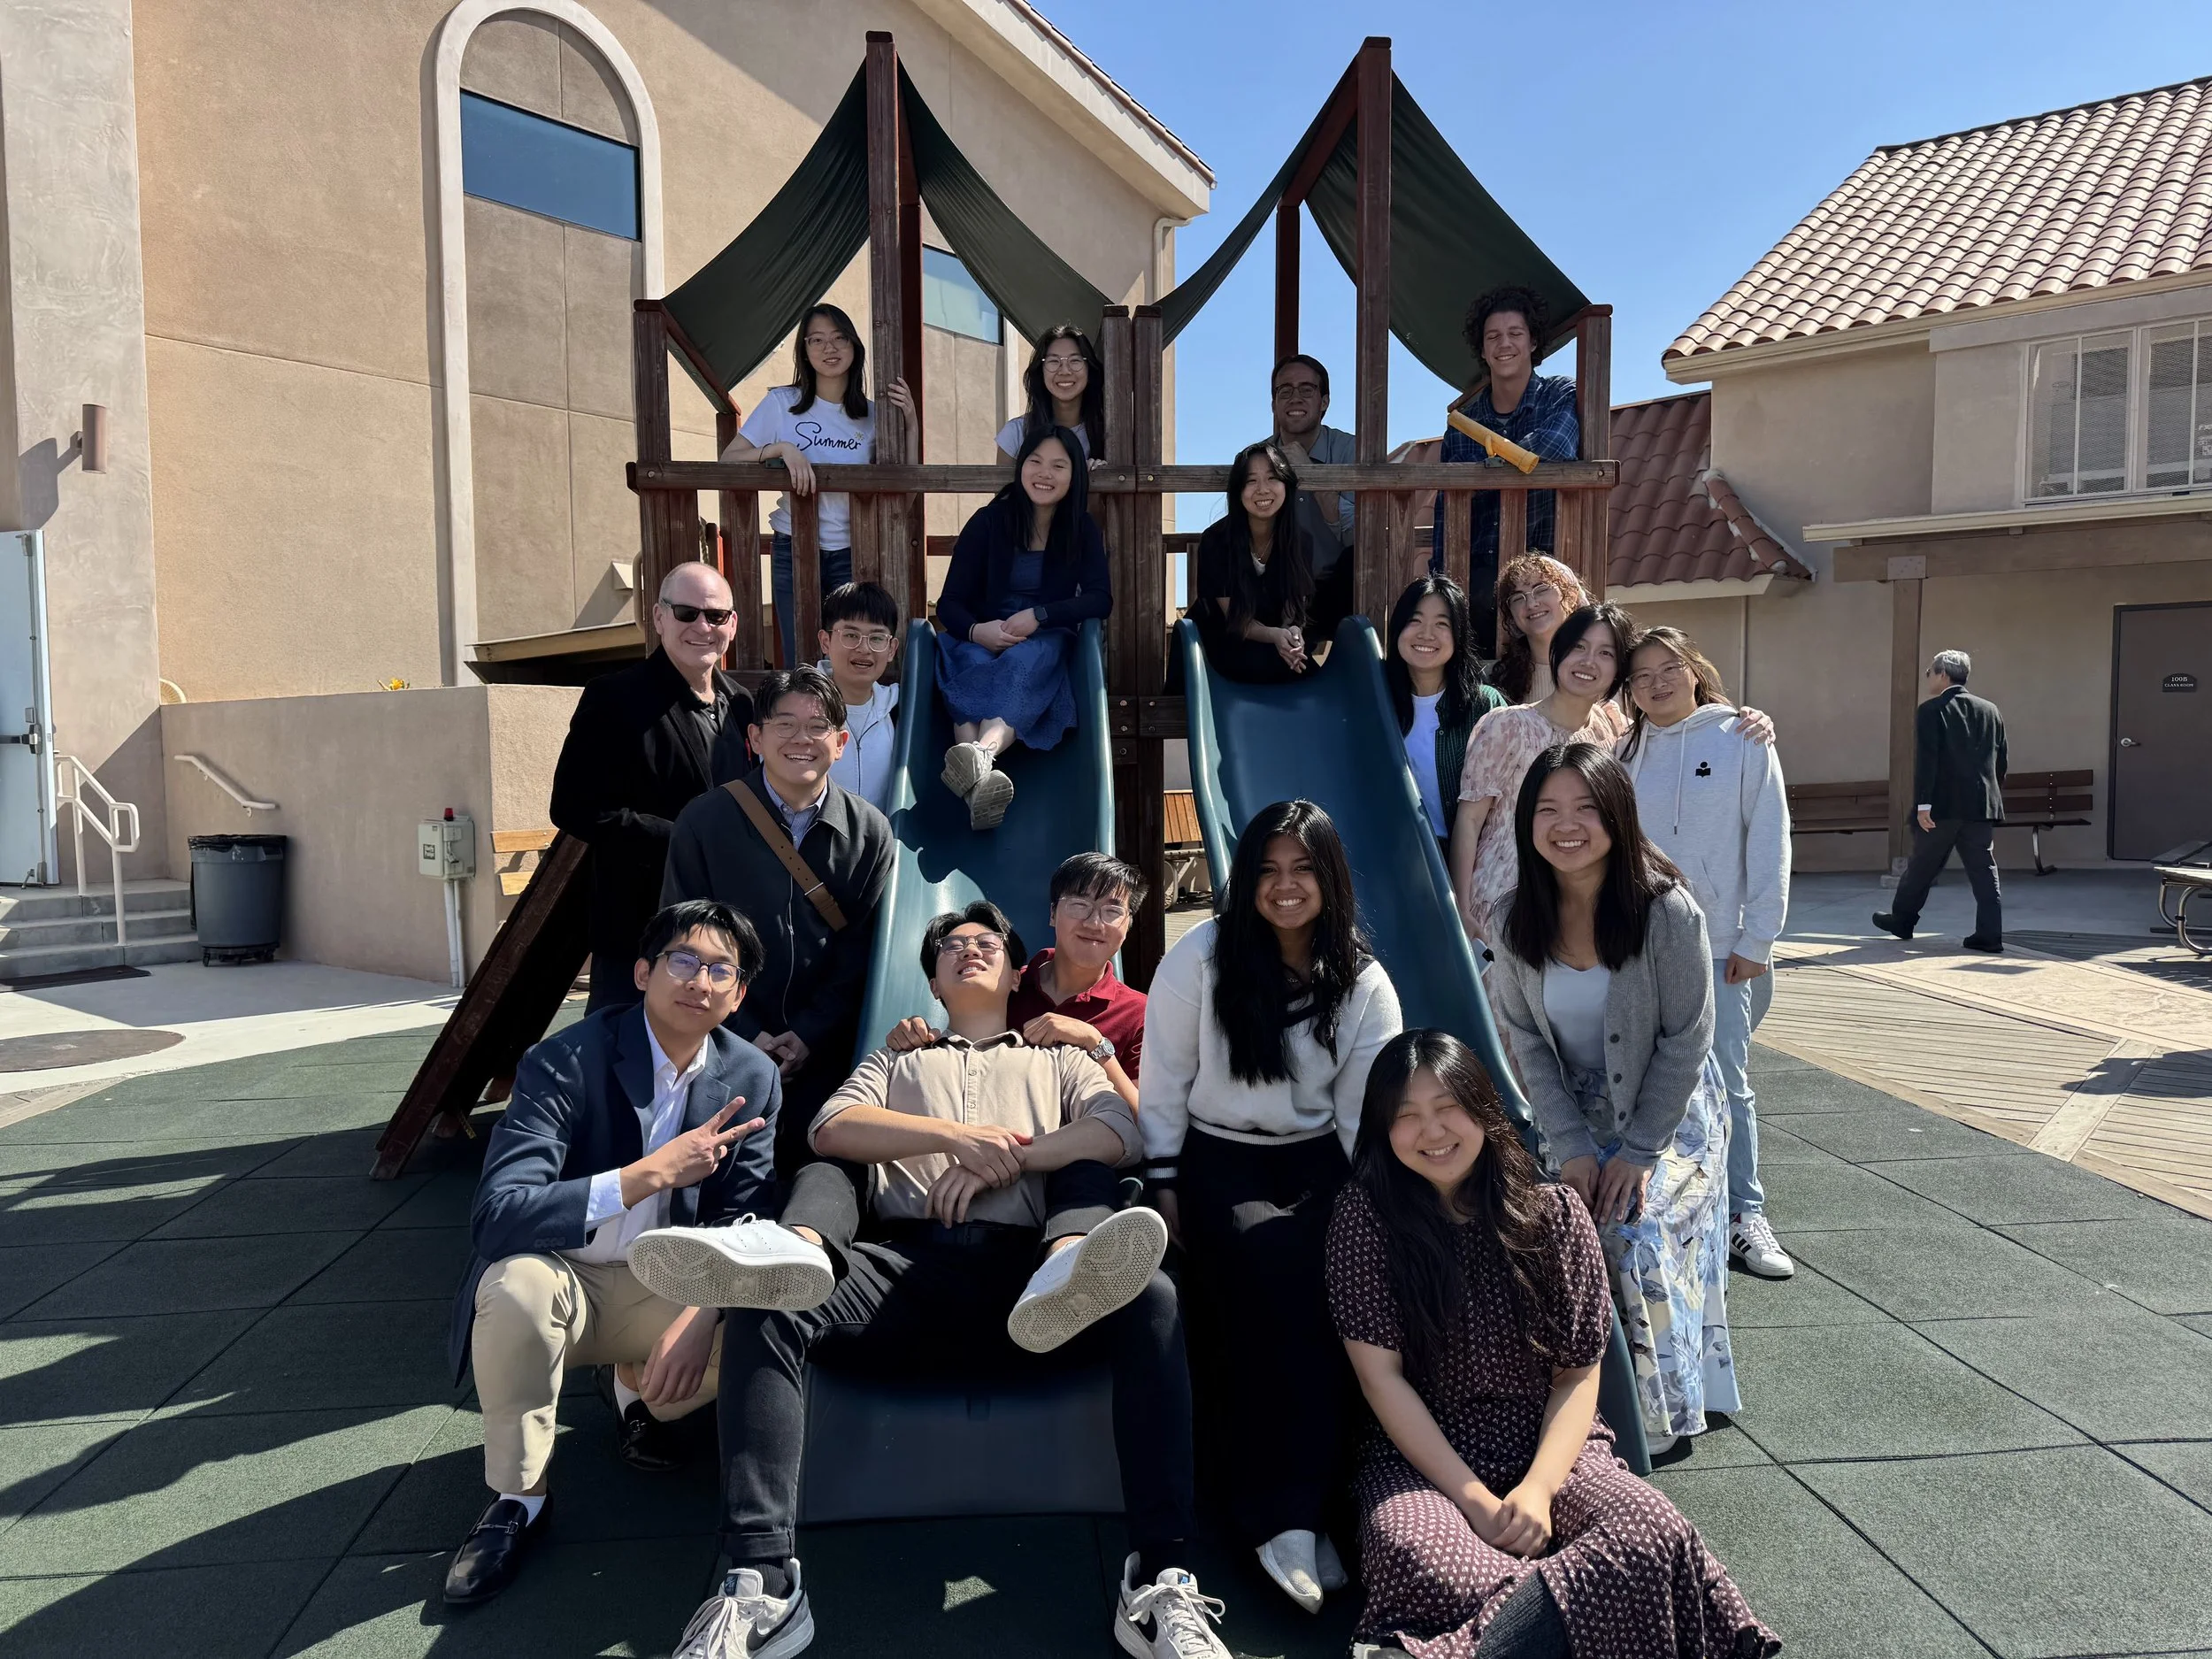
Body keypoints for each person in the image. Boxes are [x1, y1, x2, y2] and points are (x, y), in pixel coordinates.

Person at [666, 901, 1237, 1659]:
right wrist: (957, 1139)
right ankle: (760, 1584)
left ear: (1014, 969)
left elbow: (1122, 1131)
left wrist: (1014, 1156)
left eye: (987, 943)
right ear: (934, 980)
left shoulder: (1058, 1057)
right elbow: (830, 1125)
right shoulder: (897, 1058)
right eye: (953, 946)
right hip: (906, 1272)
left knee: (1148, 1283)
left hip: (1040, 1285)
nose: (970, 951)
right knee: (778, 1284)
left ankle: (1162, 1578)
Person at [1327, 1029, 1779, 1659]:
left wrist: (1538, 1487)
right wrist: (1476, 1501)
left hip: (1552, 1446)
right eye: (1407, 1117)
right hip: (1421, 1459)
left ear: (1483, 1106)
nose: (1432, 1131)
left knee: (1650, 1527)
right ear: (1382, 1129)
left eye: (1447, 1106)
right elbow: (1384, 1380)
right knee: (1424, 1557)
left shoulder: (1556, 1213)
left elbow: (1577, 1374)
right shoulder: (1364, 1219)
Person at [441, 901, 780, 1608]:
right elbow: (498, 1216)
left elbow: (745, 1217)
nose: (701, 981)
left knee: (764, 1311)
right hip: (566, 1274)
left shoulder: (752, 1073)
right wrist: (647, 1174)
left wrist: (701, 1311)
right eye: (684, 960)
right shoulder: (566, 1059)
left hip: (666, 1282)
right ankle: (518, 1499)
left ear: (740, 993)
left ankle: (637, 1391)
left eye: (723, 969)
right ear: (644, 971)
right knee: (513, 1292)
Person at [1141, 800, 1404, 1614]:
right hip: (1219, 1154)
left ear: (1331, 880)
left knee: (1343, 1273)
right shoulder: (1205, 957)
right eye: (1268, 870)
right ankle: (1275, 1513)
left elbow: (1365, 1110)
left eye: (1304, 870)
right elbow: (1166, 1076)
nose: (1286, 887)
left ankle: (1323, 1504)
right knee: (1272, 1262)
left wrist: (1374, 1209)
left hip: (1316, 1156)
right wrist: (1163, 1179)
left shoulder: (1360, 975)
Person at [1486, 744, 1738, 1451]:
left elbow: (1689, 1039)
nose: (1568, 825)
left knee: (1632, 1231)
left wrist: (1638, 1152)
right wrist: (1570, 1148)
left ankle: (1655, 1415)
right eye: (1548, 810)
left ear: (1618, 816)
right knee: (1537, 1228)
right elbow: (1529, 1044)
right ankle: (1554, 1403)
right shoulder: (1513, 921)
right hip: (1574, 1112)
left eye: (1587, 807)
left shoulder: (1667, 912)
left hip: (1671, 1111)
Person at [661, 667, 895, 1178]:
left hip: (827, 1051)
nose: (800, 740)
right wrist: (746, 1033)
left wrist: (808, 1033)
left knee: (823, 1172)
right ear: (756, 737)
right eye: (784, 724)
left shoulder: (871, 833)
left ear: (841, 740)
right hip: (718, 1044)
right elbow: (683, 942)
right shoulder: (704, 821)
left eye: (817, 727)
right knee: (720, 1177)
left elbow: (864, 951)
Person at [1621, 627, 1796, 1282]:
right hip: (1640, 946)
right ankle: (1674, 1208)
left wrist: (1758, 937)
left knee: (1728, 1082)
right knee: (1652, 1082)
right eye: (1642, 675)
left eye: (1669, 668)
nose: (1658, 682)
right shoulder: (1622, 751)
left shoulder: (1741, 738)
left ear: (1695, 670)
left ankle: (1744, 1216)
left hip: (1721, 944)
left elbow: (1771, 837)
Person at [550, 562, 753, 1011]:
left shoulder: (743, 706)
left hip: (724, 937)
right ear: (659, 617)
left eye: (716, 615)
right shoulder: (615, 697)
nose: (702, 626)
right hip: (640, 933)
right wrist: (684, 838)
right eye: (686, 613)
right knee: (625, 1068)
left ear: (732, 625)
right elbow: (574, 807)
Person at [935, 426, 1112, 831]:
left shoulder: (1080, 527)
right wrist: (979, 629)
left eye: (1058, 465)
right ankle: (979, 781)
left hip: (1043, 637)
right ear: (1020, 467)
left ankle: (977, 754)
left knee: (1027, 658)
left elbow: (1101, 599)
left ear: (1074, 476)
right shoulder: (988, 521)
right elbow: (950, 603)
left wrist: (1041, 615)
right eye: (1035, 461)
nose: (1044, 473)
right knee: (966, 656)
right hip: (986, 631)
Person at [721, 303, 914, 667]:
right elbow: (728, 459)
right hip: (793, 547)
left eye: (840, 338)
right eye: (817, 340)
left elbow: (903, 494)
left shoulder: (874, 416)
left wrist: (911, 424)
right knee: (802, 658)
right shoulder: (783, 403)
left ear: (855, 347)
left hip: (854, 552)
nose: (830, 349)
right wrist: (781, 449)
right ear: (804, 351)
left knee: (850, 657)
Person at [888, 851, 1150, 1112]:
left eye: (1113, 911)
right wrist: (913, 1035)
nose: (1094, 923)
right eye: (1079, 905)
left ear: (1127, 925)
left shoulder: (1140, 1013)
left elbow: (1146, 1124)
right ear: (1052, 913)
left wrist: (1094, 1042)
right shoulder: (1003, 984)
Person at [1449, 603, 1634, 945]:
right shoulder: (1509, 725)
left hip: (1581, 904)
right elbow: (1470, 820)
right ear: (1559, 652)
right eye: (1578, 647)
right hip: (1503, 900)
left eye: (1605, 653)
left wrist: (1745, 719)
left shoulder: (1612, 728)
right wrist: (1460, 905)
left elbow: (1675, 721)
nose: (1588, 661)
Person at [1431, 288, 1582, 648]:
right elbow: (1446, 507)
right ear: (1482, 350)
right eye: (1493, 336)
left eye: (1515, 333)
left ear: (1532, 342)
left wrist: (1489, 466)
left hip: (1546, 556)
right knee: (1457, 610)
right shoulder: (1463, 423)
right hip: (1480, 566)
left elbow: (1557, 445)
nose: (1504, 344)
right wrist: (1438, 579)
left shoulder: (1558, 392)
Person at [1876, 649, 2008, 954]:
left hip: (1942, 807)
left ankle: (1902, 920)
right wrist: (1992, 796)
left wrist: (1924, 805)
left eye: (1929, 673)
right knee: (1984, 870)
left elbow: (1928, 761)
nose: (1929, 679)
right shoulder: (1991, 710)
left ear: (1942, 675)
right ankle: (1990, 935)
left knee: (1922, 865)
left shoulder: (1931, 710)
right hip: (1981, 805)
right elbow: (2001, 760)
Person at [1386, 576, 1509, 852]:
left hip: (1473, 859)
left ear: (1458, 636)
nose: (1426, 634)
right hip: (1397, 859)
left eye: (1442, 624)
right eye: (1415, 620)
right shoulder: (1376, 703)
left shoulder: (1484, 706)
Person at [1192, 442, 1318, 683]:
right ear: (1238, 490)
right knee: (1269, 665)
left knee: (1306, 671)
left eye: (1272, 478)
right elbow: (1234, 619)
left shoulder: (1301, 541)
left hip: (1273, 642)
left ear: (1286, 484)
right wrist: (1275, 636)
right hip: (1221, 644)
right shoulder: (1216, 539)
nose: (1262, 490)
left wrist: (1293, 633)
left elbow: (1294, 611)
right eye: (1251, 481)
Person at [1262, 353, 1356, 640]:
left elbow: (1357, 535)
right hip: (1277, 587)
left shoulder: (1350, 450)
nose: (1295, 398)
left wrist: (1309, 475)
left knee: (1357, 562)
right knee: (1206, 613)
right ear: (1274, 404)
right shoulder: (1257, 457)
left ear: (1324, 402)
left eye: (1306, 390)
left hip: (1336, 589)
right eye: (1285, 391)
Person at [816, 580, 901, 813]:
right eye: (851, 635)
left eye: (876, 638)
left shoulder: (901, 710)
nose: (864, 648)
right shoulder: (798, 708)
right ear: (826, 641)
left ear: (891, 649)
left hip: (884, 846)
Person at [1486, 554, 1588, 705]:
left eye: (1541, 590)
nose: (1531, 604)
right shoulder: (1494, 681)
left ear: (1571, 596)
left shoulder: (1601, 671)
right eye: (1518, 598)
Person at [998, 323, 1106, 465]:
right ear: (1040, 371)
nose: (1065, 371)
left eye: (1075, 361)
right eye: (1054, 361)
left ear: (1089, 369)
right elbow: (1005, 487)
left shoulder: (1111, 433)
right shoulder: (1015, 433)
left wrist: (1100, 479)